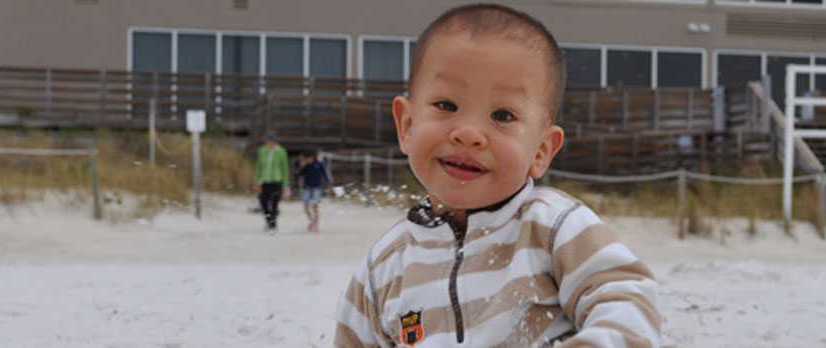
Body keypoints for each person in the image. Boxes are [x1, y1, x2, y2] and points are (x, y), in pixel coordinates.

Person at [334, 4, 660, 347]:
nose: (469, 134)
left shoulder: (552, 227)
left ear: (541, 150)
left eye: (502, 115)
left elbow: (628, 300)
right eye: (446, 105)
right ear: (407, 125)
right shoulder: (385, 265)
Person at [255, 130, 290, 234]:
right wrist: (257, 182)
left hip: (277, 181)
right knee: (263, 202)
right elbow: (258, 167)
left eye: (271, 140)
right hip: (264, 181)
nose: (269, 142)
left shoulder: (281, 151)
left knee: (274, 204)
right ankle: (268, 221)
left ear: (275, 141)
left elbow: (285, 169)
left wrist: (286, 185)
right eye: (268, 140)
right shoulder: (261, 151)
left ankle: (273, 225)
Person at [294, 151, 332, 233]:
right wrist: (302, 166)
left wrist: (329, 183)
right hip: (307, 188)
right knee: (305, 206)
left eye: (309, 158)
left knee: (315, 207)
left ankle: (316, 225)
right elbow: (297, 175)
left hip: (316, 188)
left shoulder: (319, 164)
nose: (308, 160)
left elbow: (325, 174)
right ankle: (312, 221)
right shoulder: (306, 166)